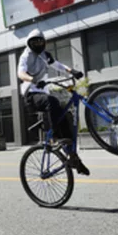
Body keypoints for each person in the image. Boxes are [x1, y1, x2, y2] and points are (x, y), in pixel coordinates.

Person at [17, 28, 90, 176]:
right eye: (34, 42)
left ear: (44, 42)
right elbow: (20, 73)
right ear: (29, 43)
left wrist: (72, 71)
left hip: (43, 92)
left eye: (40, 41)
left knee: (64, 114)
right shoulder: (26, 56)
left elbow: (57, 65)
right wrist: (33, 79)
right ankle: (55, 139)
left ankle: (73, 156)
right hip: (31, 94)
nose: (37, 44)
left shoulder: (45, 55)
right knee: (52, 102)